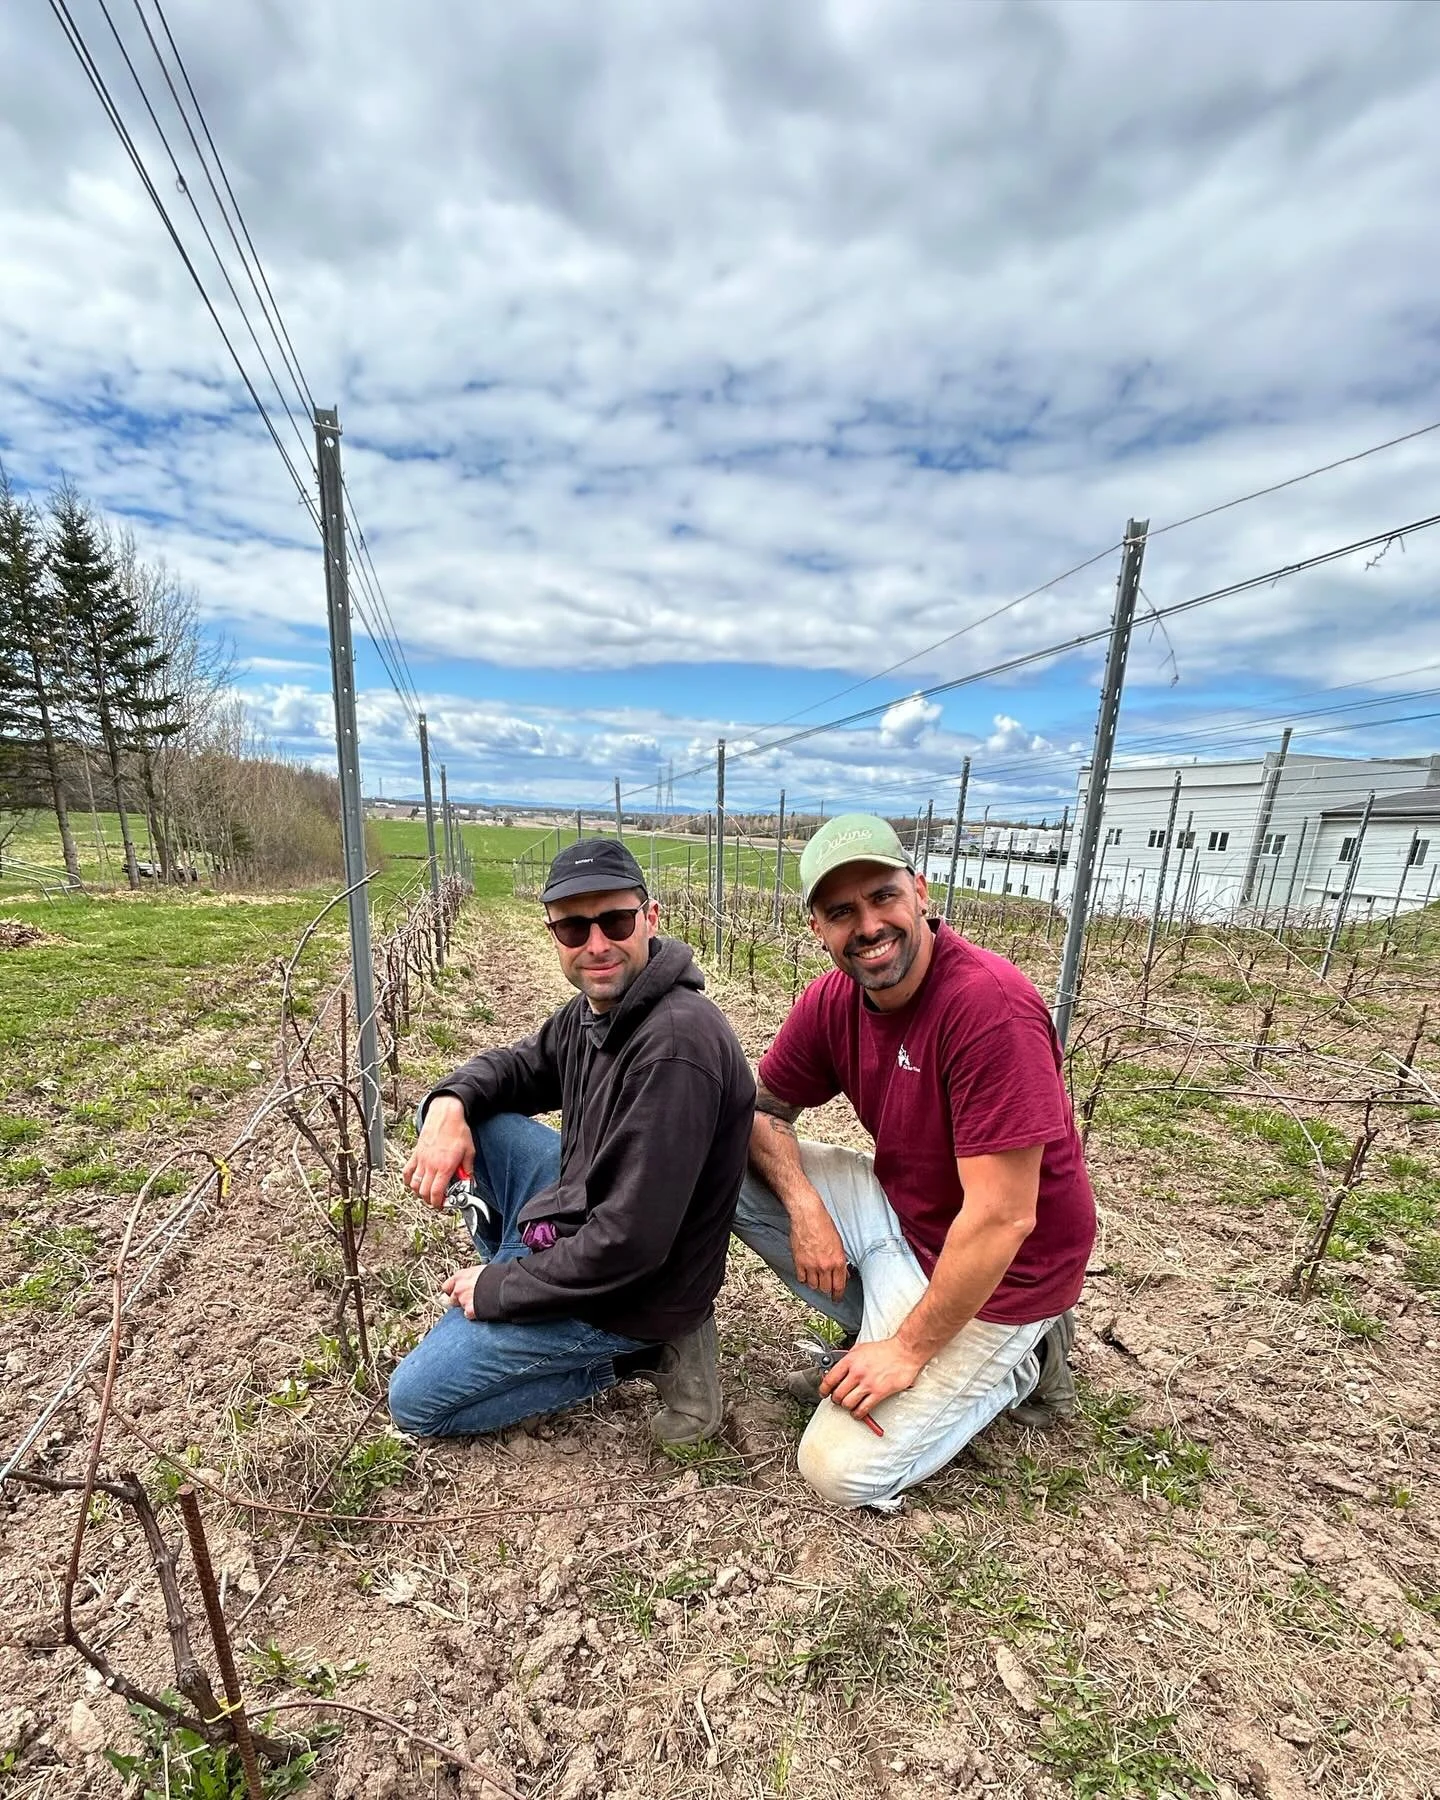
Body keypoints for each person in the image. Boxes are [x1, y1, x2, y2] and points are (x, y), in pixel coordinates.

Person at [734, 814, 1096, 1510]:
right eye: (842, 911)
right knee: (718, 1159)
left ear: (920, 892)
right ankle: (887, 1322)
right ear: (817, 928)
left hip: (1002, 1273)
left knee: (838, 1473)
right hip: (906, 1220)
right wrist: (807, 1209)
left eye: (883, 897)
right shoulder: (833, 1001)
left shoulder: (988, 1008)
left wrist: (905, 1352)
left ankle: (1021, 1361)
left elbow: (1002, 1217)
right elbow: (761, 1110)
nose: (868, 926)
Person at [388, 837, 755, 1446]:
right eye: (574, 928)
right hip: (599, 1216)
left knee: (417, 1403)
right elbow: (519, 1069)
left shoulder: (675, 1046)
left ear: (650, 917)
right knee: (482, 1121)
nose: (597, 944)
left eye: (614, 920)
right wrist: (448, 1104)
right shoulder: (597, 1011)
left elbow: (630, 1243)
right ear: (554, 934)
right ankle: (529, 1264)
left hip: (635, 1288)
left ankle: (635, 1355)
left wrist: (501, 1288)